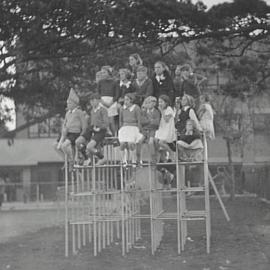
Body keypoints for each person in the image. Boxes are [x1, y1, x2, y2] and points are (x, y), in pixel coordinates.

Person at [56, 88, 88, 168]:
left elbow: (84, 124)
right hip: (68, 133)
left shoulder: (79, 112)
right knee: (61, 146)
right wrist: (63, 130)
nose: (68, 105)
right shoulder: (67, 113)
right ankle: (71, 160)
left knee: (64, 146)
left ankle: (71, 160)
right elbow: (65, 123)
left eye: (69, 103)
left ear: (74, 104)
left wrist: (83, 134)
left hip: (76, 133)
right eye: (67, 103)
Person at [76, 93, 109, 163]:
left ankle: (101, 157)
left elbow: (106, 123)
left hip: (100, 130)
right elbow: (91, 121)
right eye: (91, 101)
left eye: (93, 100)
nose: (92, 102)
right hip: (92, 128)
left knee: (90, 147)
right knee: (78, 142)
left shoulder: (103, 110)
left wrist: (99, 127)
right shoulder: (91, 110)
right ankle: (86, 157)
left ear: (98, 101)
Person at [118, 93, 143, 167]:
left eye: (127, 100)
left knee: (130, 144)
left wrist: (139, 129)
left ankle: (133, 160)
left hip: (134, 127)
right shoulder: (122, 108)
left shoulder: (136, 108)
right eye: (125, 100)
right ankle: (123, 161)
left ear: (131, 100)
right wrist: (121, 128)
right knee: (122, 144)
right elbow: (121, 120)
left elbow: (139, 120)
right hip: (125, 128)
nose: (125, 101)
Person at [138, 96, 161, 163]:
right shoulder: (143, 112)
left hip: (153, 131)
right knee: (139, 141)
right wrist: (150, 121)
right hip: (144, 131)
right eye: (151, 102)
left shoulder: (157, 112)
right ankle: (138, 159)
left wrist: (148, 121)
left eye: (154, 102)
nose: (153, 104)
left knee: (151, 142)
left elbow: (157, 123)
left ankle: (154, 158)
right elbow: (142, 121)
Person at [97, 65, 118, 135]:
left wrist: (111, 103)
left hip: (111, 102)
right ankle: (106, 131)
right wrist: (102, 102)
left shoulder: (114, 82)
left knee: (111, 120)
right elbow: (98, 93)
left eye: (104, 72)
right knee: (103, 118)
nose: (103, 74)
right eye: (102, 73)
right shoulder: (100, 82)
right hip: (102, 102)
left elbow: (116, 94)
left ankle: (114, 134)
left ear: (109, 73)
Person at [155, 95, 176, 162]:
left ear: (166, 103)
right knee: (156, 140)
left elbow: (166, 120)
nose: (160, 104)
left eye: (161, 102)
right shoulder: (163, 110)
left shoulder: (169, 109)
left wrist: (161, 111)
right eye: (159, 102)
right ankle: (162, 156)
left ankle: (171, 152)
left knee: (161, 142)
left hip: (168, 129)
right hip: (162, 128)